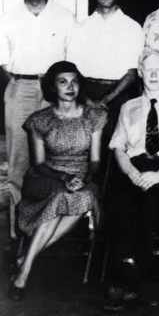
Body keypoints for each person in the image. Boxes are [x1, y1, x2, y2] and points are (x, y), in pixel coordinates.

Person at [8, 61, 107, 301]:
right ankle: (27, 266)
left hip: (81, 177)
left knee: (82, 196)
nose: (70, 87)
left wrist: (84, 178)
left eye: (74, 81)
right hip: (46, 177)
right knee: (64, 194)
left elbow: (95, 161)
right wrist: (64, 177)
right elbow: (38, 164)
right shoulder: (39, 120)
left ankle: (25, 264)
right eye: (63, 81)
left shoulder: (94, 116)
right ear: (52, 87)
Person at [104, 49, 159, 310]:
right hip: (133, 166)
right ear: (140, 73)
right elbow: (118, 147)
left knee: (149, 199)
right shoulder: (127, 107)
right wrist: (132, 173)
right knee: (125, 198)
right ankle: (136, 276)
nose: (153, 74)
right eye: (148, 69)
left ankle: (131, 276)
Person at [0, 0, 76, 209]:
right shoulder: (7, 17)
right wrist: (20, 84)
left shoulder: (65, 17)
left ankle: (49, 219)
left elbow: (73, 61)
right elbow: (2, 62)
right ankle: (18, 227)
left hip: (55, 93)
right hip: (20, 89)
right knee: (19, 160)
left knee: (56, 159)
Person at [67, 0, 144, 146]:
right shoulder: (80, 28)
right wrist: (88, 101)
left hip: (120, 97)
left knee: (116, 152)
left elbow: (132, 73)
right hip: (85, 96)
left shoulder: (132, 28)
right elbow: (72, 71)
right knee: (86, 152)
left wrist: (104, 102)